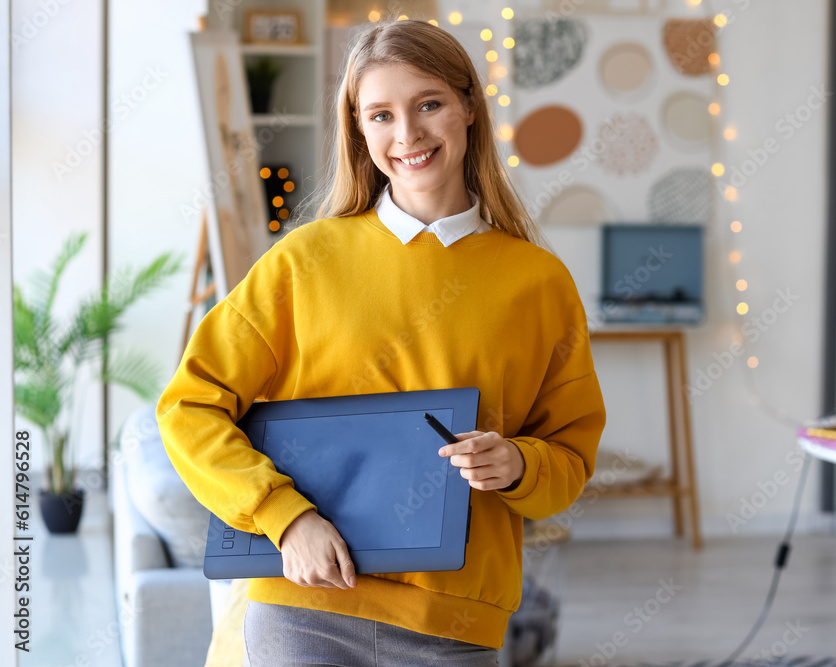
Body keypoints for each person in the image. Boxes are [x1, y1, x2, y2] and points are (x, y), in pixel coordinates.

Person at [157, 19, 606, 666]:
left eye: (429, 104)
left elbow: (569, 456)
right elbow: (188, 405)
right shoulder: (304, 261)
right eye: (381, 115)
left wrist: (517, 463)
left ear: (469, 107)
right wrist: (285, 516)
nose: (408, 135)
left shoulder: (538, 283)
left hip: (453, 621)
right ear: (358, 130)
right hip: (302, 605)